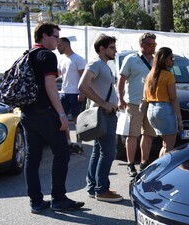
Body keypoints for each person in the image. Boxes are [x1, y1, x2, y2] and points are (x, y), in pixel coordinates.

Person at [20, 22, 84, 213]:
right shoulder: (47, 56)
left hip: (27, 113)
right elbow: (50, 87)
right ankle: (58, 198)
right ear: (45, 36)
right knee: (62, 152)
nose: (58, 41)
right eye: (55, 36)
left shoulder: (28, 54)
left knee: (32, 159)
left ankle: (36, 202)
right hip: (45, 114)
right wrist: (62, 114)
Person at [78, 34, 122, 203]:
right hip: (103, 115)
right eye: (112, 47)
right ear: (101, 49)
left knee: (98, 152)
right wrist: (104, 104)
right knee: (109, 153)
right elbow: (82, 85)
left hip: (104, 115)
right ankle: (102, 190)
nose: (115, 51)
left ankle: (94, 187)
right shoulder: (96, 63)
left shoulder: (103, 65)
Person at [117, 32, 157, 177]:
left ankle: (144, 162)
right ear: (142, 45)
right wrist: (120, 99)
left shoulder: (156, 60)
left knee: (148, 134)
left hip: (151, 102)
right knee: (132, 135)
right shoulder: (131, 59)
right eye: (151, 44)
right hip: (134, 102)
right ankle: (130, 164)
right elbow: (121, 80)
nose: (153, 47)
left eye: (154, 45)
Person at [144, 47, 183, 157]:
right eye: (171, 58)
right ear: (164, 59)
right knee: (169, 146)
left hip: (151, 110)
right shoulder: (168, 75)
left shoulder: (150, 75)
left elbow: (145, 96)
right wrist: (179, 119)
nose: (173, 61)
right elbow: (173, 98)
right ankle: (165, 171)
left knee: (165, 145)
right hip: (164, 110)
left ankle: (160, 169)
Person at [57, 37, 86, 155]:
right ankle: (68, 143)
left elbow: (84, 78)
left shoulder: (78, 59)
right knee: (62, 119)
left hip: (76, 93)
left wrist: (82, 93)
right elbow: (57, 75)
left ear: (66, 45)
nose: (57, 47)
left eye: (59, 45)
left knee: (76, 119)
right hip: (64, 93)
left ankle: (79, 144)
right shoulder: (62, 60)